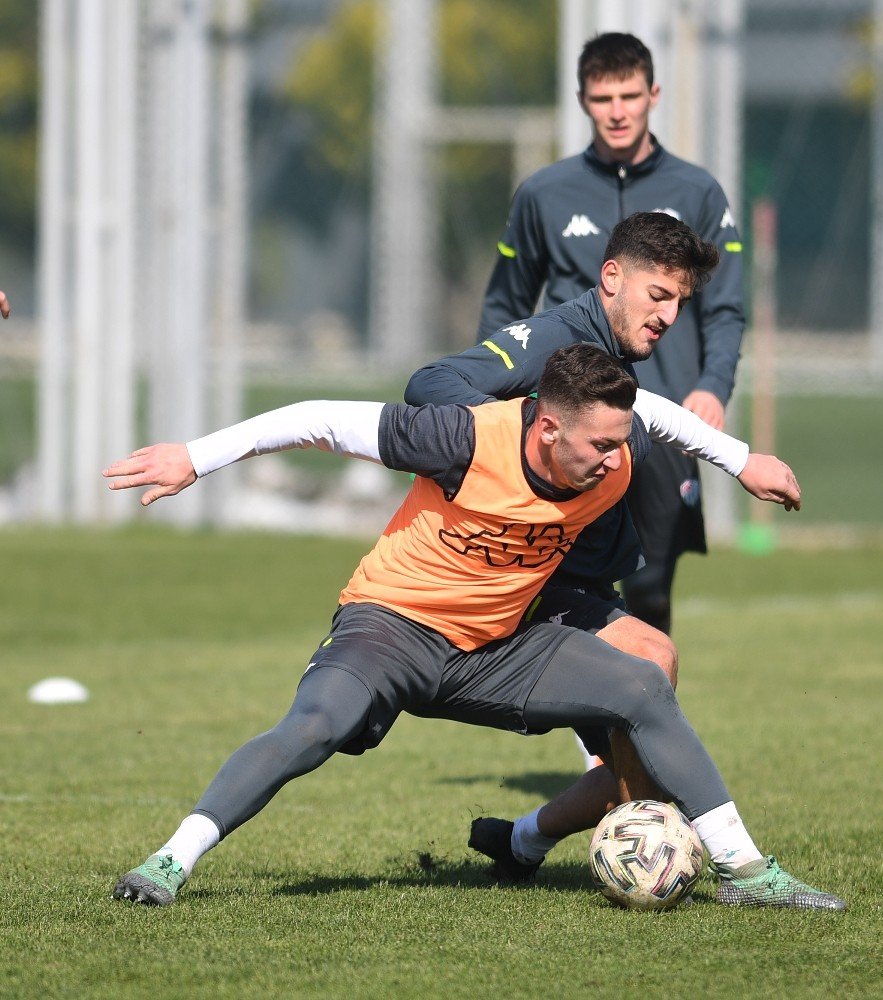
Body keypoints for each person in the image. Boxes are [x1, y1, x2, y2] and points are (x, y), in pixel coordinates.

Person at [104, 344, 843, 911]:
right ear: (548, 428)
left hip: (498, 648)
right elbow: (316, 419)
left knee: (644, 685)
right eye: (602, 446)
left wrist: (744, 462)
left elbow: (653, 412)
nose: (619, 459)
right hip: (391, 628)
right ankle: (172, 859)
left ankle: (744, 870)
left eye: (623, 442)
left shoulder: (608, 439)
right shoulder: (458, 440)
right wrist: (192, 459)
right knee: (315, 726)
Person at [408, 211, 748, 877]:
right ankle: (734, 868)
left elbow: (651, 414)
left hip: (588, 586)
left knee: (637, 767)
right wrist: (524, 447)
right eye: (659, 295)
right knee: (653, 669)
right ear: (612, 277)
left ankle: (521, 842)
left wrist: (741, 460)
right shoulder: (556, 338)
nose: (670, 315)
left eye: (680, 301)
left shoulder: (611, 358)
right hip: (536, 584)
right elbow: (432, 384)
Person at [477, 31, 744, 637]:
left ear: (653, 94)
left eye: (629, 94)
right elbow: (507, 305)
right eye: (603, 98)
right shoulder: (543, 194)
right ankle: (587, 721)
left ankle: (637, 721)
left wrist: (712, 386)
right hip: (571, 418)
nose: (618, 111)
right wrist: (498, 397)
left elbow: (726, 308)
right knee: (562, 582)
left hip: (665, 419)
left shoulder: (697, 192)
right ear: (583, 101)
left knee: (650, 584)